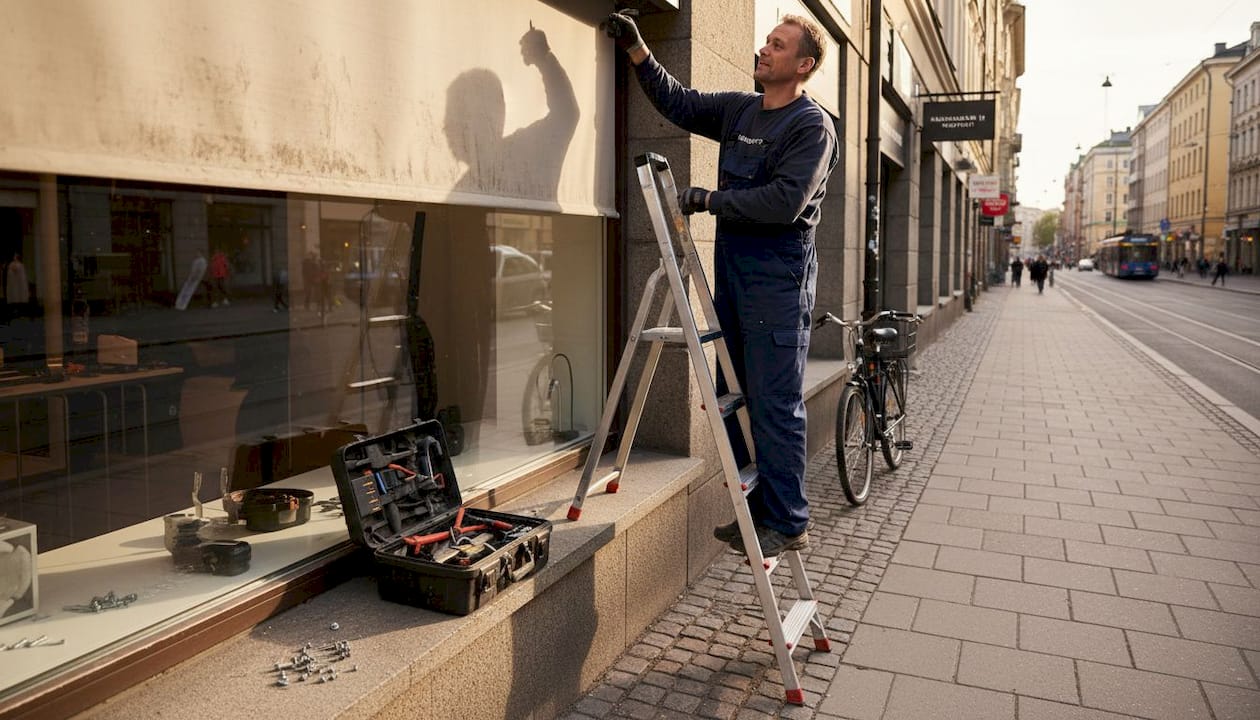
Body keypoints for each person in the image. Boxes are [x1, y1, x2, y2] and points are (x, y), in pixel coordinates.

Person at [604, 12, 838, 557]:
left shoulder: (810, 126)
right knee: (729, 396)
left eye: (777, 46)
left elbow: (785, 202)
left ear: (801, 65)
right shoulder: (740, 109)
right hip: (734, 271)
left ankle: (789, 519)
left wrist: (711, 200)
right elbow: (680, 103)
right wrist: (640, 50)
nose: (764, 49)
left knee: (774, 401)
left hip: (778, 276)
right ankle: (755, 510)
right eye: (766, 41)